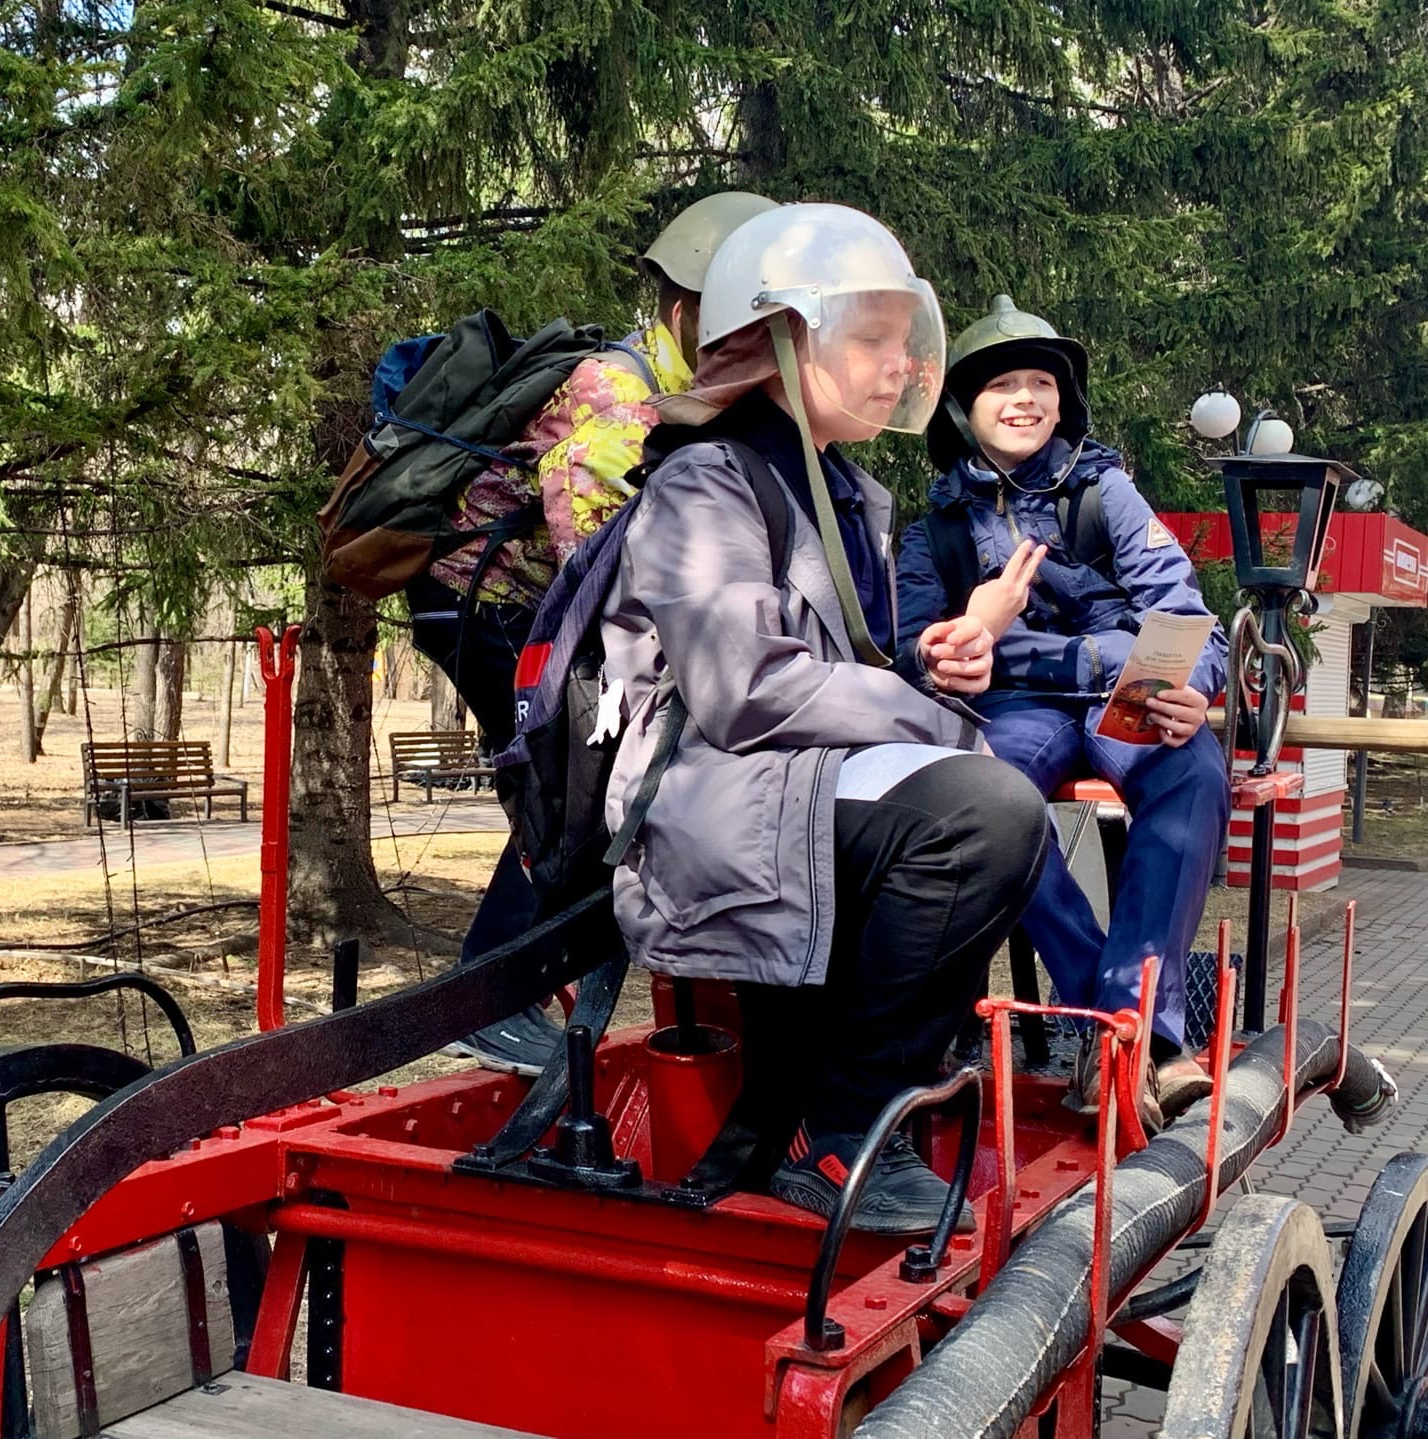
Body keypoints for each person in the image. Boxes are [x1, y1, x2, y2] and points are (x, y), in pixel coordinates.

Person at [599, 205, 1049, 1234]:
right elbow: (747, 687)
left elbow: (827, 678)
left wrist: (929, 664)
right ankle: (844, 1134)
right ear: (782, 337)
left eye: (904, 341)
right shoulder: (708, 478)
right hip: (701, 810)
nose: (900, 368)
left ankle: (793, 1126)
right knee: (983, 814)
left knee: (988, 804)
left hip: (775, 795)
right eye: (870, 339)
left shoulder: (837, 490)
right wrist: (921, 708)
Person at [407, 191, 779, 1074]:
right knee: (579, 785)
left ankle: (551, 981)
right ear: (686, 312)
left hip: (528, 608)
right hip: (488, 610)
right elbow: (603, 559)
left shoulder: (673, 389)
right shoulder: (616, 392)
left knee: (589, 787)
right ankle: (491, 995)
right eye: (735, 327)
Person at [894, 295, 1230, 1130]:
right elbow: (910, 651)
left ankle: (1142, 1027)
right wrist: (964, 640)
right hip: (1017, 707)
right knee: (982, 800)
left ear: (1062, 399)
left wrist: (1199, 684)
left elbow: (1184, 614)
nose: (1023, 399)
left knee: (1190, 772)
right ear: (965, 410)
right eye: (1001, 384)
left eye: (1039, 383)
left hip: (1129, 688)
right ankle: (1105, 1015)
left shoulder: (1105, 491)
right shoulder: (933, 529)